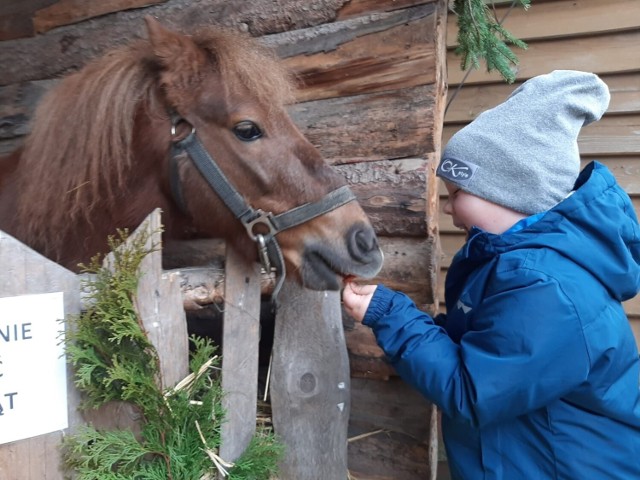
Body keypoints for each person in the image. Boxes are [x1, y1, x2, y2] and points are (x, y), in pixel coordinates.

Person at [342, 70, 640, 479]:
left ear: (509, 192)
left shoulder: (547, 287)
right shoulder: (516, 267)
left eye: (457, 194)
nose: (448, 209)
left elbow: (471, 391)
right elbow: (486, 353)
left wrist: (390, 314)